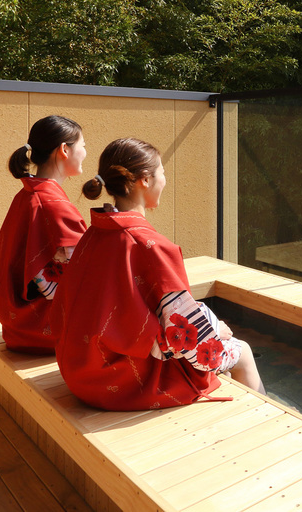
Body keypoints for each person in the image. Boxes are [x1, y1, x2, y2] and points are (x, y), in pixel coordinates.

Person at [54, 138, 264, 410]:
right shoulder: (149, 245)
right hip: (122, 383)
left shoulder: (94, 234)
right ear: (144, 180)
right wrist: (216, 330)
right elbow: (192, 345)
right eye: (162, 172)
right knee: (242, 351)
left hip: (80, 371)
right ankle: (266, 421)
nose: (164, 180)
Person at [0, 115, 88, 354]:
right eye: (83, 146)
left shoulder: (28, 194)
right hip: (41, 328)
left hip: (17, 324)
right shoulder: (52, 203)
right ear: (65, 150)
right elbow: (86, 274)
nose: (86, 153)